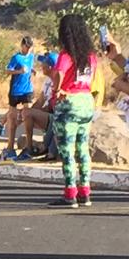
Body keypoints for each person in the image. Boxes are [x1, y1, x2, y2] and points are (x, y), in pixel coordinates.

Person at [49, 14, 98, 208]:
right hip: (86, 100)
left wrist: (57, 90)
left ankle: (70, 192)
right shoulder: (91, 56)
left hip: (69, 100)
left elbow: (59, 73)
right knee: (83, 148)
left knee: (67, 150)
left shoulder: (66, 54)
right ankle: (85, 192)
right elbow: (92, 79)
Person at [0, 35, 35, 161]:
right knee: (12, 116)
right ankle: (10, 146)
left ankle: (29, 145)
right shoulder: (16, 57)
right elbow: (7, 70)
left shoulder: (31, 57)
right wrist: (19, 71)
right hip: (16, 90)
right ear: (22, 45)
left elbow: (30, 67)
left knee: (28, 114)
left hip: (27, 90)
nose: (29, 50)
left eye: (30, 47)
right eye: (27, 47)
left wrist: (32, 71)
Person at [17, 52, 57, 161]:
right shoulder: (47, 81)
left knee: (27, 113)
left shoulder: (58, 81)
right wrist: (25, 113)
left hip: (53, 117)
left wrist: (29, 112)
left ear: (50, 66)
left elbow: (52, 106)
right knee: (20, 113)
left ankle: (31, 148)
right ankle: (27, 148)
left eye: (43, 63)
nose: (41, 66)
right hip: (47, 116)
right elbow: (40, 101)